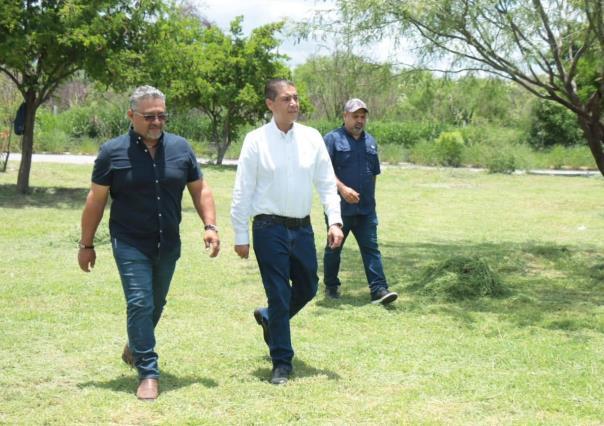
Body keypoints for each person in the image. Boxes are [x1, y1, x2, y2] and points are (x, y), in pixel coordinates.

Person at [77, 85, 220, 401]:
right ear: (131, 115)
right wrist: (86, 244)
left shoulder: (181, 149)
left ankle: (134, 345)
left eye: (162, 116)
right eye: (149, 116)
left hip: (168, 242)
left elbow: (200, 190)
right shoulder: (111, 152)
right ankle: (148, 372)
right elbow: (96, 200)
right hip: (129, 241)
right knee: (140, 302)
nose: (157, 122)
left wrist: (210, 225)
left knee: (155, 304)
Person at [231, 79, 344, 385]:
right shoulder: (256, 140)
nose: (293, 104)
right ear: (270, 104)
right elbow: (243, 189)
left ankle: (269, 318)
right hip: (269, 228)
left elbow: (325, 182)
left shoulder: (311, 137)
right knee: (279, 294)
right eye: (286, 99)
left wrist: (335, 221)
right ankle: (282, 361)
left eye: (295, 98)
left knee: (307, 287)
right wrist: (241, 234)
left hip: (302, 227)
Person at [322, 98, 397, 305]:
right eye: (355, 116)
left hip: (366, 211)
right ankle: (331, 286)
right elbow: (324, 173)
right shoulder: (332, 139)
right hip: (340, 210)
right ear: (345, 116)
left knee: (371, 248)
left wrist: (370, 200)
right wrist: (343, 189)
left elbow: (373, 174)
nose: (359, 120)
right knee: (334, 249)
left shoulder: (371, 141)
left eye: (363, 116)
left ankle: (379, 290)